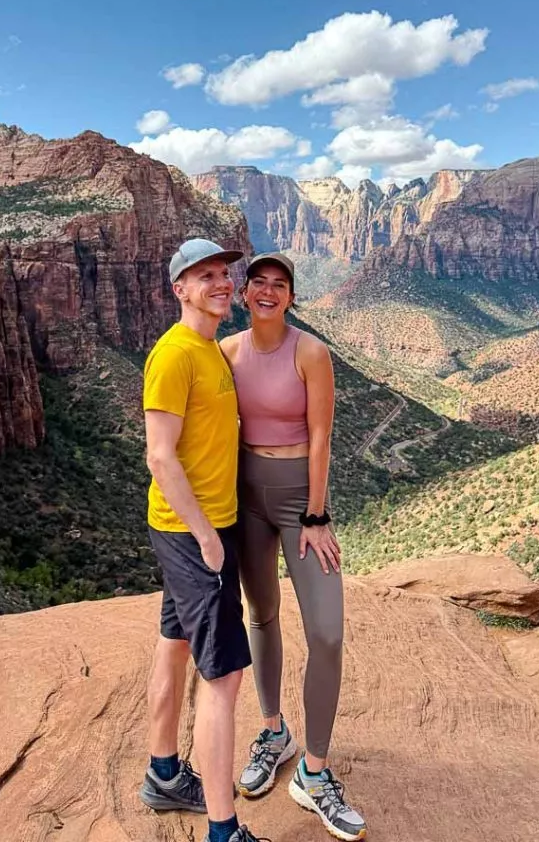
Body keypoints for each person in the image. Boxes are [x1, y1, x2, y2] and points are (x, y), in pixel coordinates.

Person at [220, 253, 367, 842]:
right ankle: (274, 730)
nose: (268, 292)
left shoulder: (311, 352)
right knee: (261, 612)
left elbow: (322, 434)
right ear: (244, 292)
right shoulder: (227, 353)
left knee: (327, 631)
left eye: (280, 286)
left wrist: (316, 514)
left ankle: (315, 769)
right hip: (244, 497)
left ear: (291, 297)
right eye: (259, 283)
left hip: (299, 503)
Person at [139, 238, 270, 842]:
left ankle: (164, 774)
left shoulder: (210, 347)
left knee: (173, 644)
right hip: (195, 534)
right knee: (223, 681)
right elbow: (159, 458)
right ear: (179, 290)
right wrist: (209, 541)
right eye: (205, 276)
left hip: (198, 528)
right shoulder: (174, 356)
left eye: (225, 272)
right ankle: (224, 830)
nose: (221, 282)